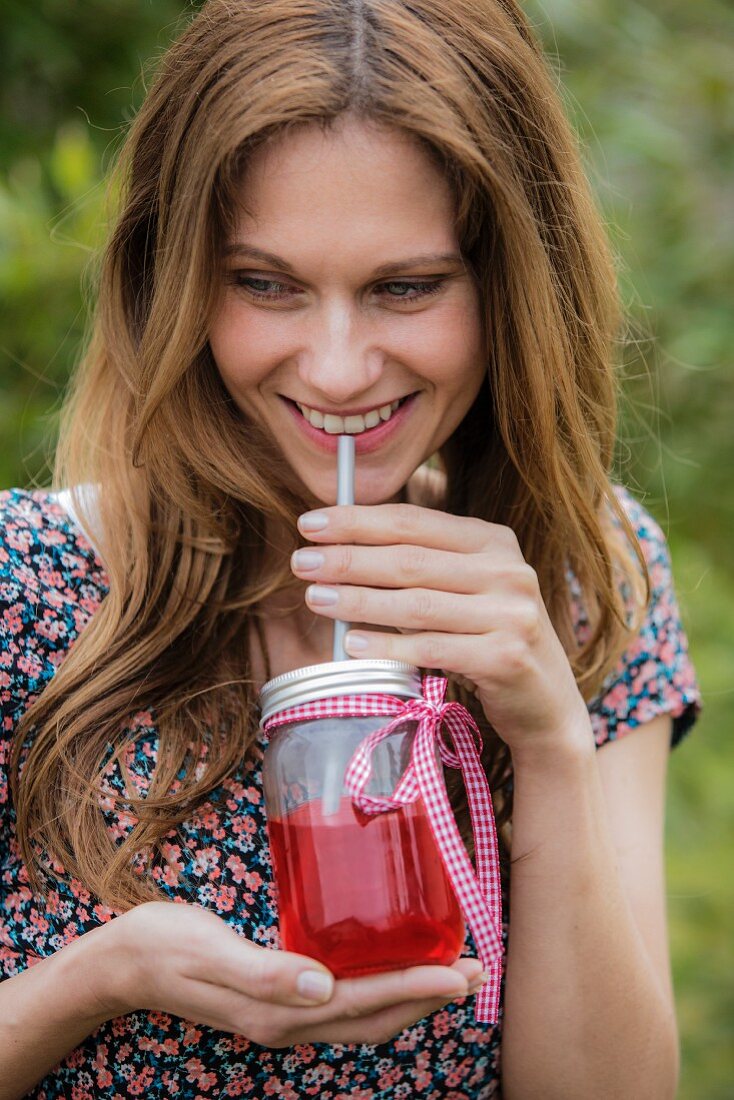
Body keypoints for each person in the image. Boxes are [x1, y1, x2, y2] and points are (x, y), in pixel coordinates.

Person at [0, 0, 701, 1096]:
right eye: (264, 283)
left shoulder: (581, 574)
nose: (334, 371)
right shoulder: (21, 587)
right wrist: (101, 973)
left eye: (404, 287)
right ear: (173, 279)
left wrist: (549, 735)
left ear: (512, 286)